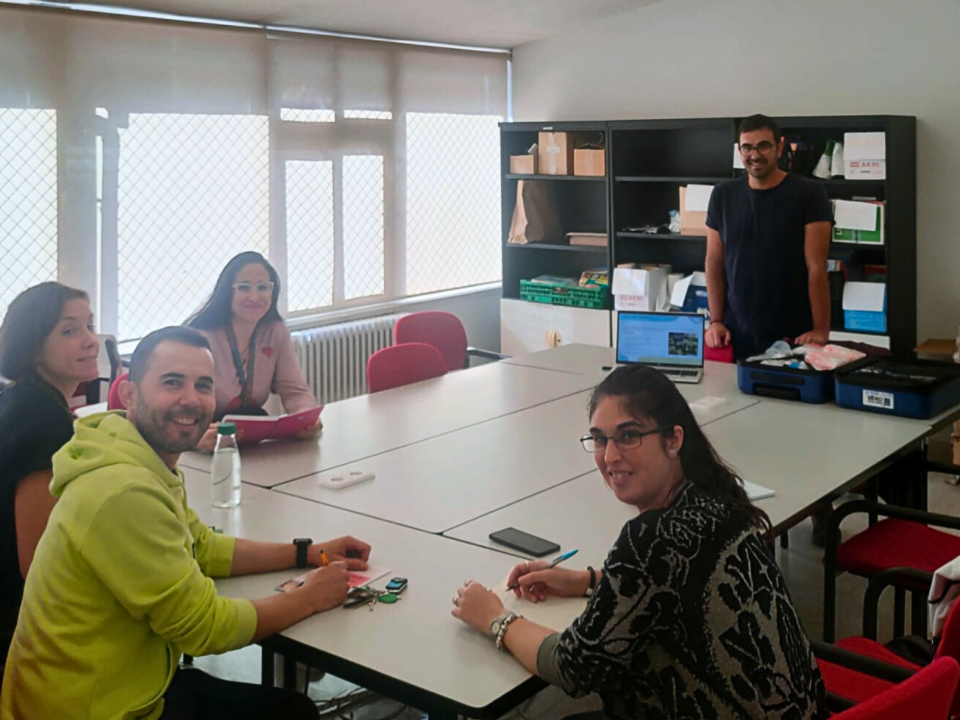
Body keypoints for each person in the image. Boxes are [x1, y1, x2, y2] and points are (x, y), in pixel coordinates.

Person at [0, 326, 372, 720]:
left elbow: (202, 546)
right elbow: (205, 627)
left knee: (286, 708)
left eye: (203, 385)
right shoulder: (122, 489)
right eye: (172, 382)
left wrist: (306, 552)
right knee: (290, 713)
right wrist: (308, 597)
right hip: (93, 709)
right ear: (129, 393)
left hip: (122, 683)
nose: (191, 400)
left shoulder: (135, 454)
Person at [451, 365, 825, 720]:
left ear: (673, 438)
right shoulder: (717, 497)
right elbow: (676, 583)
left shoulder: (650, 539)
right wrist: (589, 581)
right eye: (599, 439)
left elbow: (574, 666)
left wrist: (494, 618)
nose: (610, 456)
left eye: (629, 436)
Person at [0, 282, 100, 660]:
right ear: (33, 345)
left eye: (90, 325)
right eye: (70, 330)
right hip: (16, 631)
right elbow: (37, 563)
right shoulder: (41, 423)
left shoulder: (21, 399)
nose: (91, 340)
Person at [705, 114, 833, 361]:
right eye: (747, 147)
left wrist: (821, 329)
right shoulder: (723, 195)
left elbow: (816, 267)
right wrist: (716, 321)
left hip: (794, 334)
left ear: (779, 147)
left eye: (764, 146)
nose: (755, 155)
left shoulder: (809, 193)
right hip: (736, 331)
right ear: (739, 150)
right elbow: (714, 262)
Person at [187, 252, 320, 451]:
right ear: (227, 292)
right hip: (200, 444)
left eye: (263, 287)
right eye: (244, 288)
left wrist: (306, 418)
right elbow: (179, 404)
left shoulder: (275, 331)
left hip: (248, 443)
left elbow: (295, 391)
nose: (254, 296)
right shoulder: (199, 338)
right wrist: (193, 439)